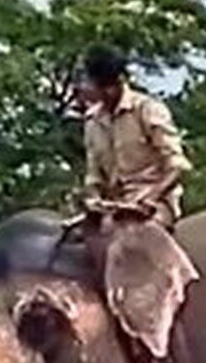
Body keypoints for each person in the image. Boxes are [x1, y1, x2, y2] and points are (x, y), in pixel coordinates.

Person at [79, 43, 193, 229]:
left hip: (154, 203)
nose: (105, 93)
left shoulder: (147, 110)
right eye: (99, 87)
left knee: (134, 237)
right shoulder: (92, 121)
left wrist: (150, 197)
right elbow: (94, 176)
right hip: (113, 206)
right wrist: (94, 199)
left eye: (109, 86)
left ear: (121, 80)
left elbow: (177, 166)